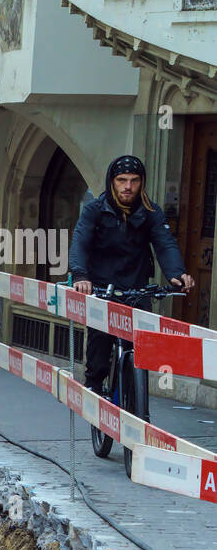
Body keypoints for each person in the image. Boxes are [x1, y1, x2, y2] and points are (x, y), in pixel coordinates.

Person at [68, 154, 193, 394]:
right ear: (111, 181)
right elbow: (80, 243)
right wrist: (81, 275)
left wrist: (177, 274)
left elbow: (165, 243)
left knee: (140, 352)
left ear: (142, 182)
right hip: (103, 288)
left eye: (134, 180)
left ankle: (135, 402)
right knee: (99, 354)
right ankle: (94, 390)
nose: (128, 186)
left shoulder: (150, 211)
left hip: (137, 287)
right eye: (122, 180)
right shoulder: (95, 210)